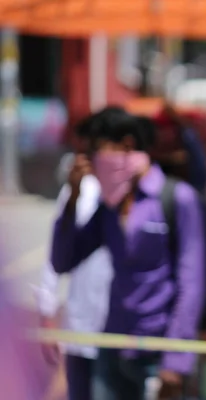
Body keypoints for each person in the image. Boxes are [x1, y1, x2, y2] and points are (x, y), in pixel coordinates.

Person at [51, 111, 206, 400]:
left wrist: (175, 360)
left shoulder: (177, 198)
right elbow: (63, 260)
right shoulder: (110, 205)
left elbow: (191, 283)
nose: (90, 162)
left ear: (125, 145)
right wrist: (72, 200)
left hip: (157, 353)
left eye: (95, 151)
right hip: (113, 347)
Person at [36, 108, 121, 400]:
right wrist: (47, 313)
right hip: (81, 328)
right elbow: (57, 255)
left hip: (122, 334)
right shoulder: (78, 190)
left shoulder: (136, 194)